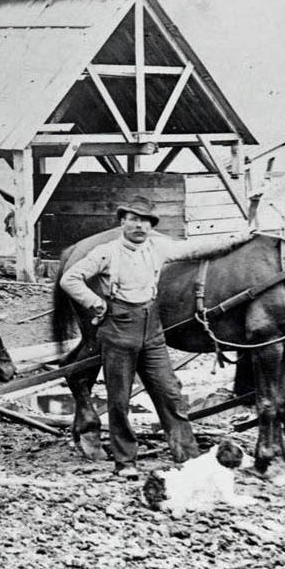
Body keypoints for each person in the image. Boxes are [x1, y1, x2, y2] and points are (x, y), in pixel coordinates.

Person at [59, 196, 254, 478]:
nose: (139, 226)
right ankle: (126, 462)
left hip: (152, 331)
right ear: (123, 222)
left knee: (170, 392)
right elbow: (70, 279)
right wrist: (96, 303)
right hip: (119, 330)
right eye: (134, 220)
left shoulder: (158, 247)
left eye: (145, 221)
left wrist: (237, 239)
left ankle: (188, 457)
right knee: (119, 400)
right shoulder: (106, 252)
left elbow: (195, 247)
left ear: (151, 226)